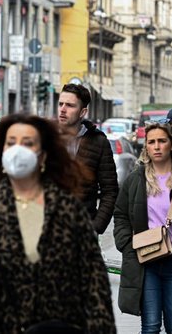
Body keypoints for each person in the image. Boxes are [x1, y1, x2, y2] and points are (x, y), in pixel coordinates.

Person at [0, 113, 116, 334]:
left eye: (28, 143)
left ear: (43, 156)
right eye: (11, 143)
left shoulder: (68, 210)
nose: (18, 150)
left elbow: (94, 284)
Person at [114, 121, 172, 333]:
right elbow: (120, 215)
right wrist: (128, 244)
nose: (156, 146)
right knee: (151, 326)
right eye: (151, 142)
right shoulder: (136, 179)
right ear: (146, 146)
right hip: (146, 261)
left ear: (171, 144)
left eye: (161, 141)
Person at [57, 83, 118, 234]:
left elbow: (110, 191)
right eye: (60, 104)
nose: (63, 109)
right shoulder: (45, 137)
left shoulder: (98, 141)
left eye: (70, 105)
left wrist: (96, 227)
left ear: (82, 112)